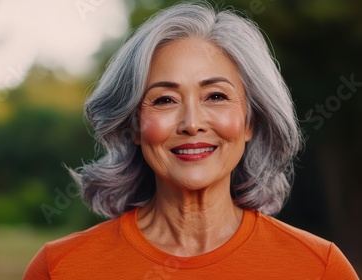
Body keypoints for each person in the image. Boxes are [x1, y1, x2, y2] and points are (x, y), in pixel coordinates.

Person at [23, 2, 359, 279]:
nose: (192, 123)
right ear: (135, 127)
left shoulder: (320, 268)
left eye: (215, 96)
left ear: (250, 121)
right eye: (165, 100)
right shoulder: (60, 268)